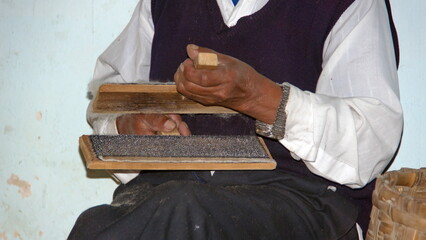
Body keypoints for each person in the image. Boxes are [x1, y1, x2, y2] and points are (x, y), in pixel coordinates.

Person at [69, 0, 403, 239]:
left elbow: (372, 143)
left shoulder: (347, 5)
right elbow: (108, 97)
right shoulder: (161, 5)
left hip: (300, 203)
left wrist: (264, 99)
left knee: (184, 212)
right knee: (94, 225)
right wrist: (129, 125)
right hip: (168, 196)